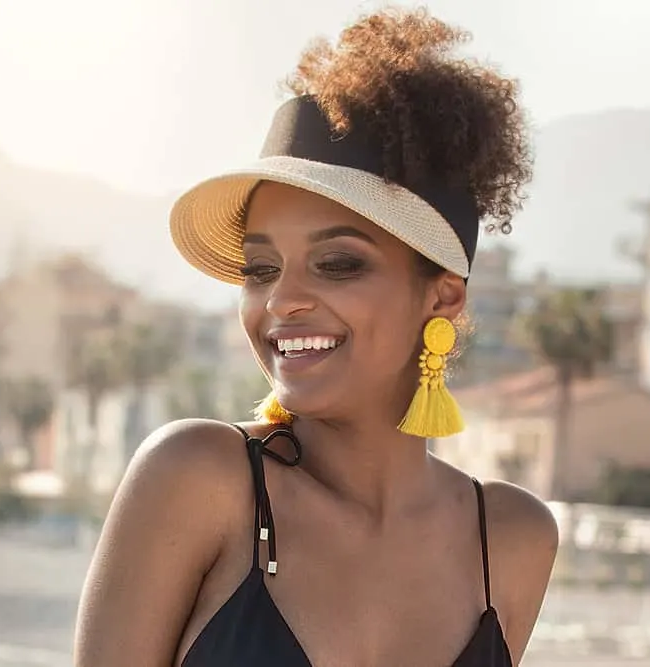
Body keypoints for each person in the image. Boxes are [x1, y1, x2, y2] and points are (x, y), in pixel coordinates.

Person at [73, 7, 557, 666]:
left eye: (338, 263)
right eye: (260, 269)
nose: (283, 299)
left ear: (441, 296)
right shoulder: (197, 478)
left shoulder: (510, 539)